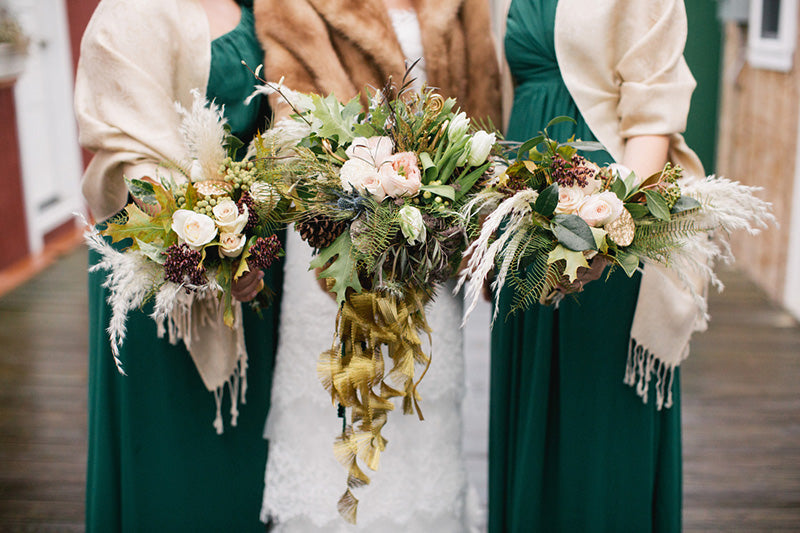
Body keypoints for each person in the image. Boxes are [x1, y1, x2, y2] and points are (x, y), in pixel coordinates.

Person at [253, 0, 501, 530]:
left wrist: (467, 213)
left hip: (432, 239)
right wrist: (363, 206)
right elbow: (290, 122)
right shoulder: (291, 6)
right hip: (335, 241)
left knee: (419, 405)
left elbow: (483, 110)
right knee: (340, 406)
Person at [488, 0, 705, 531]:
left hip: (606, 210)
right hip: (524, 213)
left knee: (596, 411)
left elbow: (654, 115)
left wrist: (605, 234)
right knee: (533, 397)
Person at [75, 0, 281, 530]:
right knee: (171, 463)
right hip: (157, 266)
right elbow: (127, 150)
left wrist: (249, 237)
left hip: (255, 264)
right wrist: (212, 246)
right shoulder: (125, 16)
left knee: (247, 459)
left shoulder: (258, 5)